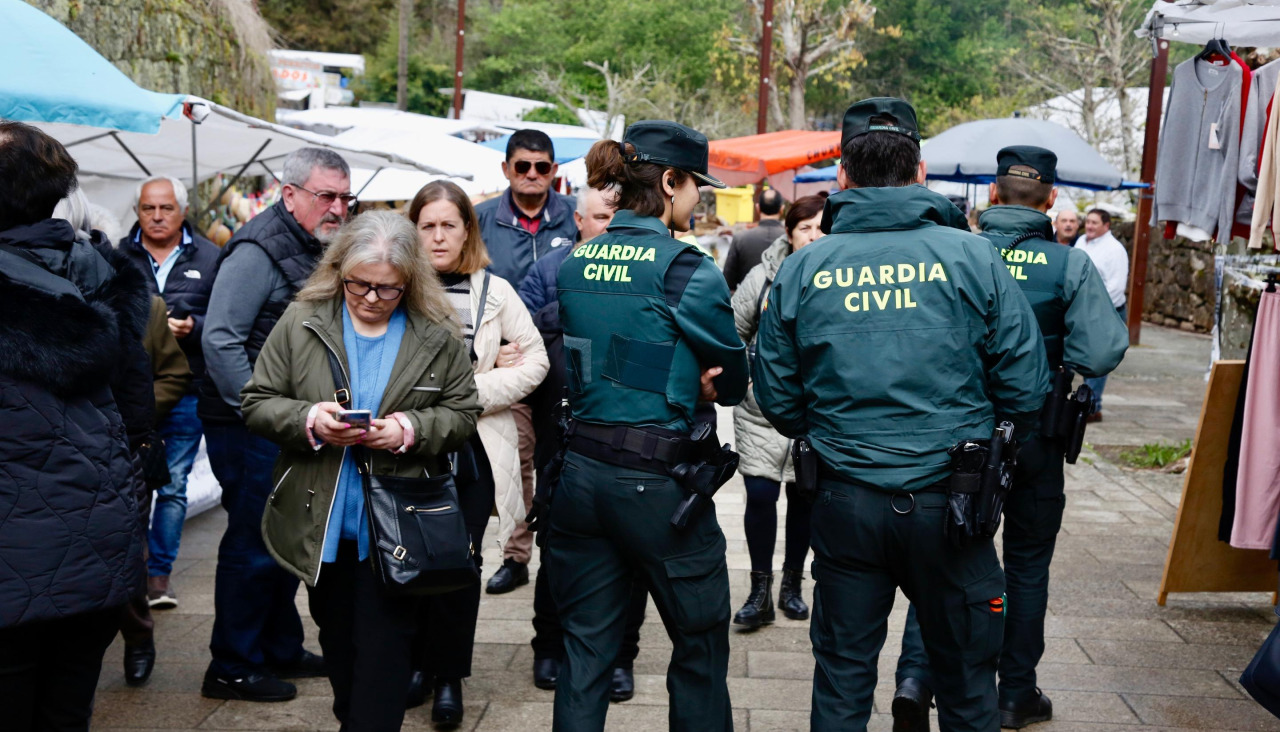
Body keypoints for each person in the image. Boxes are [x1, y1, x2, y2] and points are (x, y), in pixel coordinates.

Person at [752, 98, 1049, 732]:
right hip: (953, 502)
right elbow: (1027, 386)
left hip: (844, 498)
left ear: (842, 177)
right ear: (919, 172)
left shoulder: (805, 264)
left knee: (841, 681)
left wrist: (832, 432)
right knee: (969, 686)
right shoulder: (972, 257)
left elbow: (775, 395)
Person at [893, 147, 1128, 731]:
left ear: (994, 196)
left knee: (945, 553)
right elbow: (1101, 350)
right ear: (1050, 200)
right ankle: (1016, 691)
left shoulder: (953, 254)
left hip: (959, 434)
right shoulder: (1069, 265)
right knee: (1026, 565)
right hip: (1036, 436)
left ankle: (917, 679)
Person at [241, 210, 480, 730]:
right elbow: (257, 401)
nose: (371, 298)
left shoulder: (434, 331)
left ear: (410, 283)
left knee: (383, 657)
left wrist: (408, 430)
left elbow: (463, 413)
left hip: (397, 527)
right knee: (341, 651)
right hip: (322, 525)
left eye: (387, 290)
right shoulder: (302, 320)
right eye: (359, 285)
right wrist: (309, 418)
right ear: (338, 272)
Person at [546, 119, 748, 731]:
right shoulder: (686, 268)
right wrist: (696, 378)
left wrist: (677, 370)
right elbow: (733, 376)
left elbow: (611, 358)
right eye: (694, 188)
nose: (698, 200)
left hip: (578, 478)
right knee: (700, 642)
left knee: (584, 652)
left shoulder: (577, 260)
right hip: (658, 486)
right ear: (668, 181)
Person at [0, 121, 148, 729]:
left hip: (15, 557)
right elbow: (139, 409)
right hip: (99, 548)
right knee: (66, 709)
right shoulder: (104, 274)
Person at [199, 147, 354, 701]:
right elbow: (220, 339)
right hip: (254, 425)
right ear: (289, 195)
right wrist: (262, 412)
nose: (337, 208)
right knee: (252, 543)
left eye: (344, 197)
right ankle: (232, 664)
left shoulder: (311, 243)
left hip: (294, 423)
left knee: (285, 537)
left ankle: (279, 646)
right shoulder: (257, 250)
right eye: (326, 197)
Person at [408, 180, 549, 725]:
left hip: (470, 451)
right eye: (428, 226)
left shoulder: (496, 292)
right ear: (412, 230)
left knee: (460, 564)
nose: (438, 236)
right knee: (410, 558)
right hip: (407, 447)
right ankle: (417, 664)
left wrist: (472, 393)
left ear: (467, 229)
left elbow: (534, 362)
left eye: (449, 225)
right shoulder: (390, 286)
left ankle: (448, 677)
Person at [519, 185, 651, 702]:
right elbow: (521, 337)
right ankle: (548, 645)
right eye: (599, 217)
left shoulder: (646, 267)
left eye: (616, 215)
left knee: (631, 551)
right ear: (578, 220)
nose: (608, 225)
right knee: (557, 550)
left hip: (626, 428)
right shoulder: (549, 270)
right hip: (561, 427)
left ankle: (622, 654)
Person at [475, 129, 579, 595]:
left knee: (562, 458)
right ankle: (515, 555)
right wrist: (487, 346)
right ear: (506, 169)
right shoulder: (479, 222)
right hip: (507, 363)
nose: (533, 175)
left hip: (564, 364)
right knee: (514, 461)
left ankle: (564, 549)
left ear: (554, 171)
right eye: (523, 166)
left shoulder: (579, 219)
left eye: (542, 167)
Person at [118, 175, 219, 610]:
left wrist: (193, 327)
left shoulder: (212, 258)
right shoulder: (117, 257)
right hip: (129, 392)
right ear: (138, 211)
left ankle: (159, 576)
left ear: (182, 211)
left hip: (189, 387)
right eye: (148, 208)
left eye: (166, 208)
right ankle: (130, 571)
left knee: (174, 485)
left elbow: (224, 320)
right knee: (129, 484)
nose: (157, 216)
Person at [728, 193, 826, 629]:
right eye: (805, 227)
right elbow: (732, 331)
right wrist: (747, 379)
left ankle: (792, 585)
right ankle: (759, 589)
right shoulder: (762, 277)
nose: (814, 234)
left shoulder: (839, 275)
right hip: (760, 410)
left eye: (821, 226)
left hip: (814, 412)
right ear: (788, 232)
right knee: (762, 495)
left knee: (804, 498)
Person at [1074, 208, 1130, 422]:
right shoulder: (1081, 242)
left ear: (1106, 226)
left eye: (1094, 223)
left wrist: (1096, 312)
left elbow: (1116, 288)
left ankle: (1092, 407)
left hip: (1105, 311)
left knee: (1098, 360)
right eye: (1087, 222)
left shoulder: (1114, 250)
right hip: (1082, 310)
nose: (1089, 226)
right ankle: (1084, 403)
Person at [721, 188, 785, 292]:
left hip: (747, 303)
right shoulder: (790, 238)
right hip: (782, 303)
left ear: (757, 208)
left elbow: (728, 282)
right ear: (782, 209)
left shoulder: (740, 238)